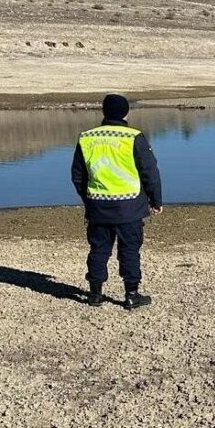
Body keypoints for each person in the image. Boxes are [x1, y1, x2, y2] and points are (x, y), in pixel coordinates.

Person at [70, 94, 162, 308]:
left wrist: (88, 199)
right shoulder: (134, 136)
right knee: (129, 249)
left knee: (98, 249)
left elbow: (77, 175)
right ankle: (131, 294)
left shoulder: (87, 137)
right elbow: (150, 172)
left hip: (98, 206)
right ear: (126, 112)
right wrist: (156, 200)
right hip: (129, 207)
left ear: (103, 111)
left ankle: (95, 294)